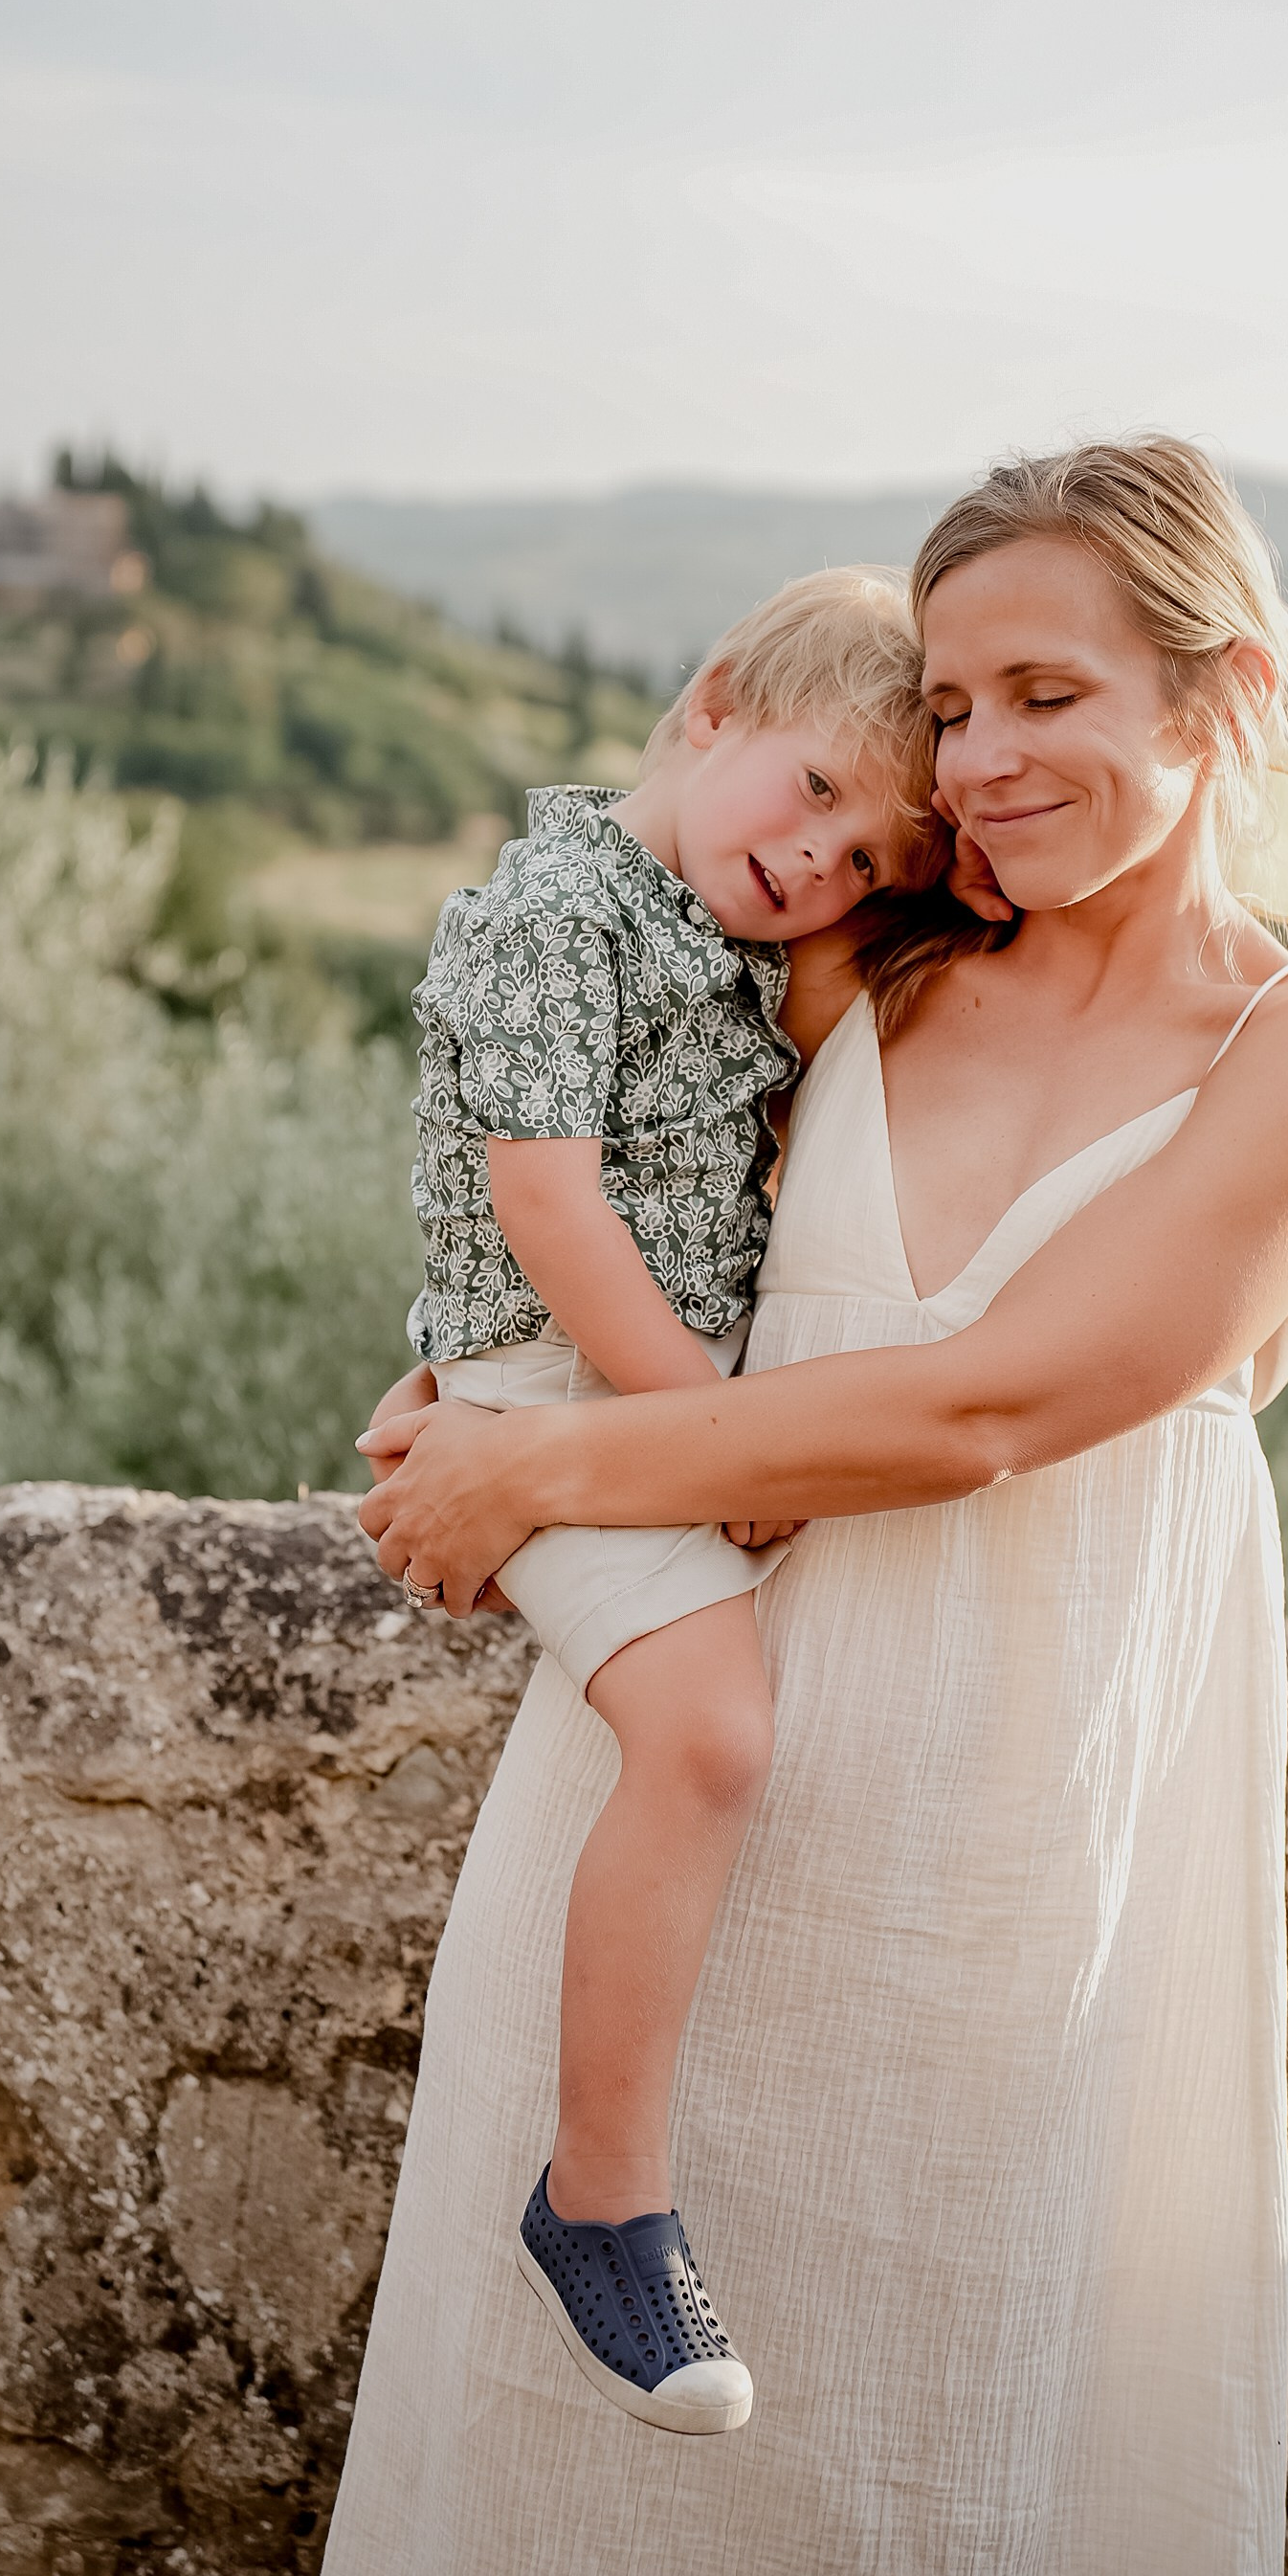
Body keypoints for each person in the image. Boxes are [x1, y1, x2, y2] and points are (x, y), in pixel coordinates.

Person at [321, 439, 1288, 2576]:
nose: (980, 759)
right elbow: (615, 1204)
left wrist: (534, 1472)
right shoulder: (863, 971)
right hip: (679, 1807)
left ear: (1213, 699)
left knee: (927, 2458)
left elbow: (985, 1404)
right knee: (555, 2495)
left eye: (1045, 696)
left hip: (1008, 1855)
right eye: (946, 705)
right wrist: (462, 1378)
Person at [399, 568, 942, 2435]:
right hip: (570, 1382)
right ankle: (600, 2195)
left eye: (868, 858)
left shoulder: (714, 926)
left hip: (633, 1387)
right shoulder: (561, 910)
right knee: (708, 1736)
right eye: (811, 795)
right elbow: (550, 1212)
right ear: (712, 706)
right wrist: (710, 1430)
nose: (822, 866)